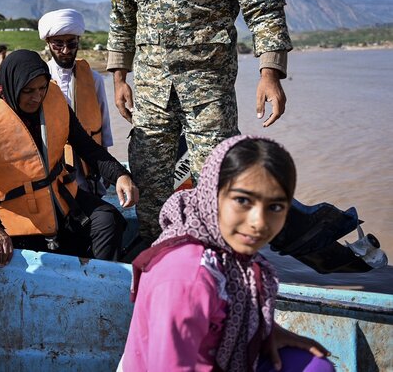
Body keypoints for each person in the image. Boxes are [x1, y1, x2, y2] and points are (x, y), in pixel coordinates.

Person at [107, 0, 293, 244]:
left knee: (216, 178)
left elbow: (262, 4)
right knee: (147, 179)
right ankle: (160, 256)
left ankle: (214, 255)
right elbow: (122, 17)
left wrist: (270, 72)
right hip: (150, 88)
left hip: (209, 85)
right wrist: (119, 78)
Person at [120, 135, 335, 372]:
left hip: (212, 356)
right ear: (213, 194)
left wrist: (267, 331)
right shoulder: (188, 277)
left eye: (275, 207)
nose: (259, 222)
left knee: (315, 366)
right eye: (243, 200)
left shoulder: (225, 247)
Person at [0, 50, 139, 267]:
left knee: (106, 220)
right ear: (11, 85)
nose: (36, 97)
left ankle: (97, 280)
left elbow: (88, 148)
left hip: (60, 197)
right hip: (18, 213)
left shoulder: (54, 102)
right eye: (28, 91)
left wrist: (120, 175)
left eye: (41, 88)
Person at [38, 8, 114, 196]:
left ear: (78, 42)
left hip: (88, 159)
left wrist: (104, 164)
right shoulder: (41, 80)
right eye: (58, 44)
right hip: (55, 160)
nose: (65, 51)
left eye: (71, 44)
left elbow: (103, 123)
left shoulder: (94, 79)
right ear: (48, 43)